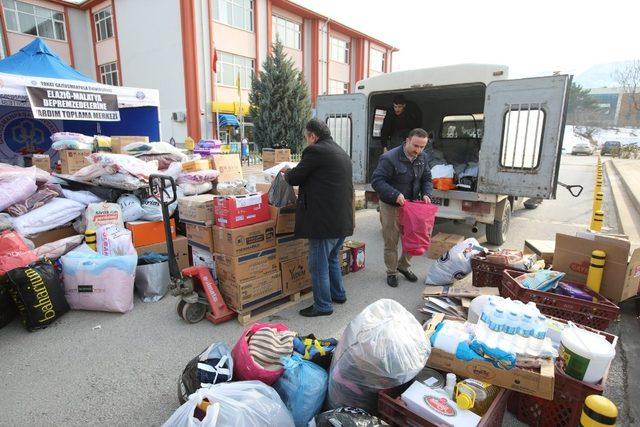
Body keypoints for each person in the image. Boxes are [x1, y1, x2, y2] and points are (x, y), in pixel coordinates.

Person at [284, 119, 354, 317]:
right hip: (341, 219)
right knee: (332, 258)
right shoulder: (340, 151)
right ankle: (338, 294)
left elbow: (295, 178)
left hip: (323, 222)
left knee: (318, 265)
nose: (307, 142)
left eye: (307, 138)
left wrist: (285, 173)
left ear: (313, 136)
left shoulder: (315, 151)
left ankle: (323, 305)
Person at [371, 128, 433, 287]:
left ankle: (403, 266)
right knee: (391, 240)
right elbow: (377, 181)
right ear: (407, 140)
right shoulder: (389, 158)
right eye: (415, 146)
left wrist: (427, 193)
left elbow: (426, 179)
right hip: (390, 205)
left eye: (422, 147)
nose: (418, 150)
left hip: (412, 206)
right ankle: (391, 272)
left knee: (413, 238)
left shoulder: (423, 158)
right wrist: (395, 194)